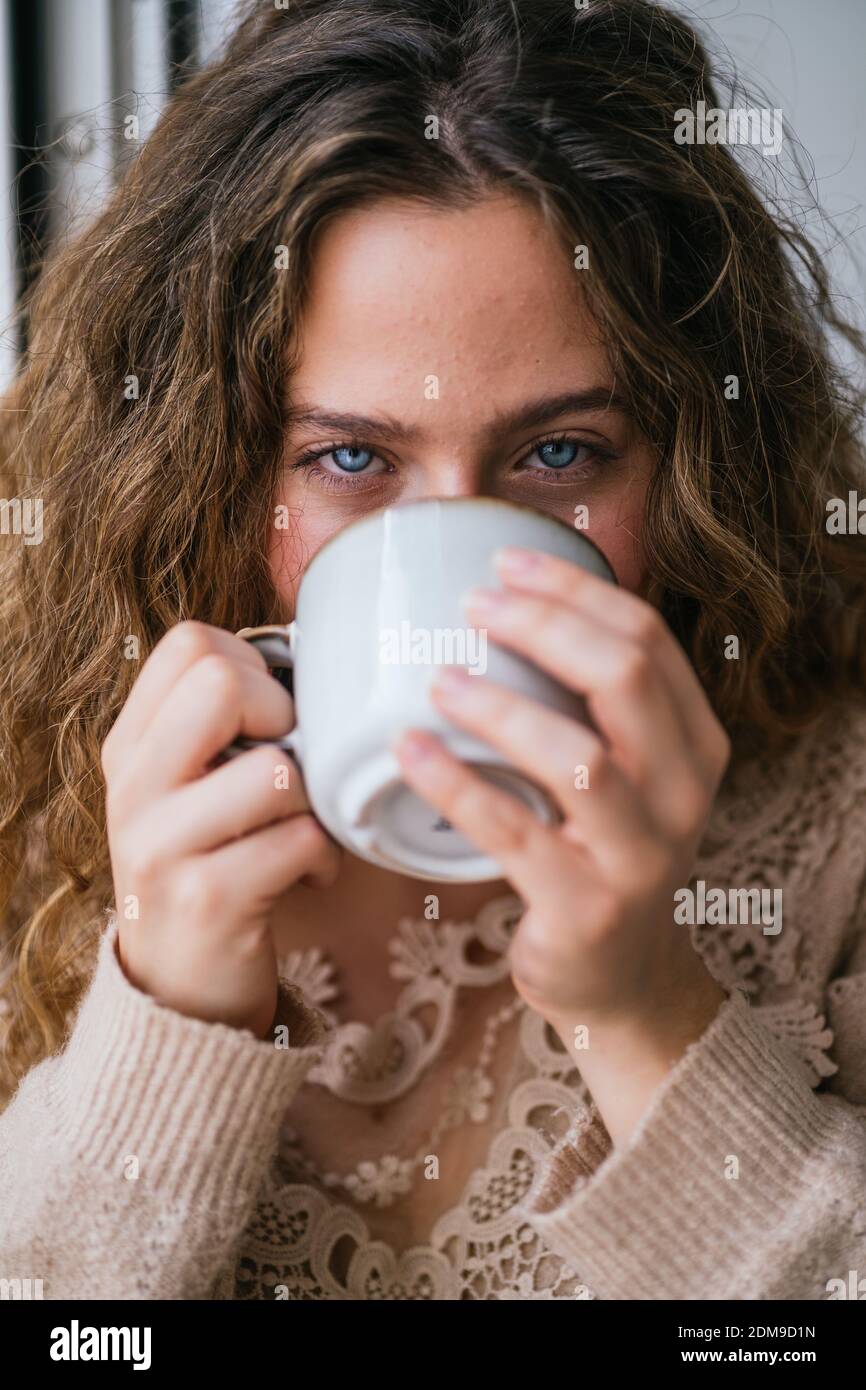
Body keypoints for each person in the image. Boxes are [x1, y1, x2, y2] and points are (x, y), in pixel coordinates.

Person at [1, 0, 865, 1301]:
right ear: (202, 464)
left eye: (558, 452)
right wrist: (167, 1021)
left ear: (691, 457)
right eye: (349, 457)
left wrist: (645, 1011)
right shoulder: (28, 765)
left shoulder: (834, 813)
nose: (449, 559)